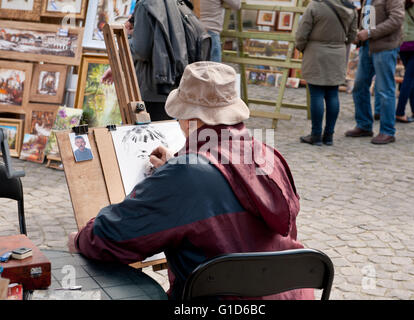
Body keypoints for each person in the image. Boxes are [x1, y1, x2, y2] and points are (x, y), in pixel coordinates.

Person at [68, 62, 314, 300]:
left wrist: (79, 239)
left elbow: (112, 238)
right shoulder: (267, 155)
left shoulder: (185, 176)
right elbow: (224, 186)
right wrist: (176, 167)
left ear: (189, 120)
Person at [102, 0, 189, 121]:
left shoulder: (145, 4)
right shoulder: (171, 2)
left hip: (149, 89)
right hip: (166, 86)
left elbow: (140, 50)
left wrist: (127, 36)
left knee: (137, 135)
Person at [296, 0, 358, 146]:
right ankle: (329, 135)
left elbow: (302, 32)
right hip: (338, 53)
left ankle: (316, 135)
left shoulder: (315, 5)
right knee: (332, 94)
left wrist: (301, 47)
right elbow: (352, 35)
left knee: (316, 94)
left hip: (316, 52)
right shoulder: (350, 8)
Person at [345, 0, 405, 145]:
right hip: (367, 46)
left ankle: (387, 131)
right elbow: (368, 18)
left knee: (385, 90)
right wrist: (359, 35)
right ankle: (364, 125)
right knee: (359, 86)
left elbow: (397, 19)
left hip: (385, 47)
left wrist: (370, 33)